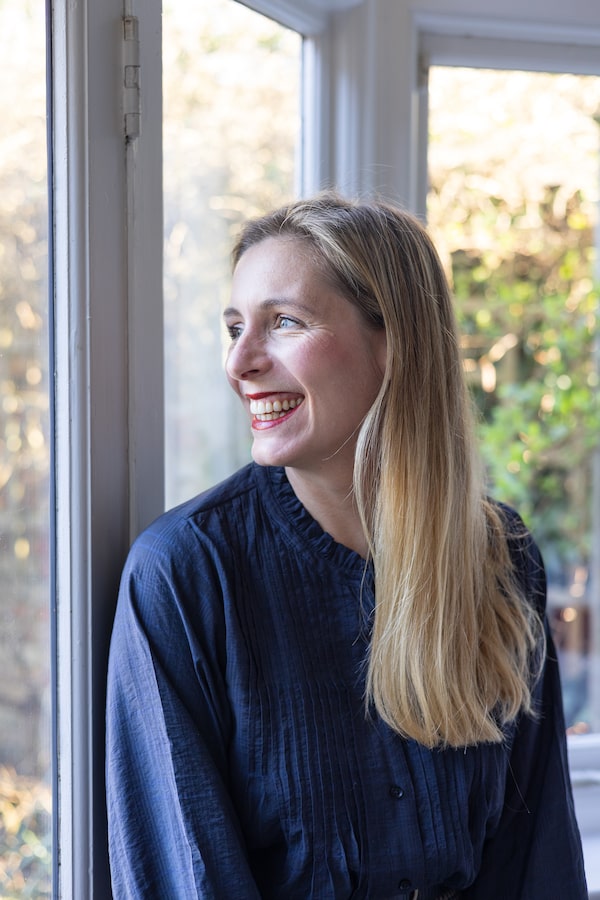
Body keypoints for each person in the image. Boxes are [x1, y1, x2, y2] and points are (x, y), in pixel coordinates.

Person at [106, 193, 587, 899]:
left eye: (285, 323)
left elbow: (536, 862)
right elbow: (185, 877)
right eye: (234, 326)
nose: (240, 362)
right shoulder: (186, 574)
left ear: (394, 341)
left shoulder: (501, 558)